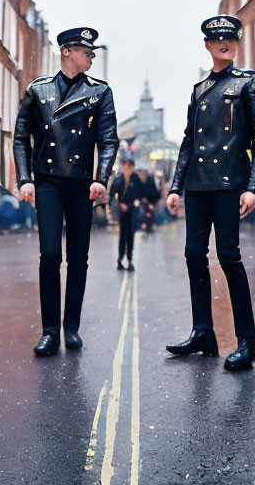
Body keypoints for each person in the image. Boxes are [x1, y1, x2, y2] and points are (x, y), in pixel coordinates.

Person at [165, 15, 255, 371]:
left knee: (229, 257)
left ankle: (247, 342)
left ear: (237, 43)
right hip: (197, 186)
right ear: (207, 45)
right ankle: (203, 332)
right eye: (217, 39)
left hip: (230, 185)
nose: (223, 43)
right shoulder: (198, 90)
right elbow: (188, 142)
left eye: (230, 38)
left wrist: (252, 186)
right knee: (193, 255)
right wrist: (175, 187)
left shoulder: (250, 83)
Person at [14, 27, 119, 357]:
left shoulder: (100, 92)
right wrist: (23, 179)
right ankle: (49, 330)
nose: (91, 56)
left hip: (80, 183)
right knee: (50, 255)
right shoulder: (38, 89)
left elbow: (109, 140)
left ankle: (70, 326)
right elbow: (20, 138)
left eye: (92, 51)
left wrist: (102, 177)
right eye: (86, 51)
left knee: (78, 258)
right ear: (66, 52)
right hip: (47, 181)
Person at [109, 158, 140, 270]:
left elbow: (139, 195)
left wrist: (130, 205)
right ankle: (120, 260)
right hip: (121, 212)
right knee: (122, 237)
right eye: (125, 166)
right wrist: (120, 204)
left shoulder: (136, 179)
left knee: (130, 236)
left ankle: (130, 260)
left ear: (132, 167)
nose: (127, 168)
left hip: (132, 212)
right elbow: (112, 194)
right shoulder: (118, 179)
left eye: (129, 166)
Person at [135, 167, 160, 233]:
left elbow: (154, 193)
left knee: (149, 215)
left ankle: (147, 226)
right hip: (140, 202)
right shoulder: (137, 181)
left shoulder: (150, 181)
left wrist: (151, 203)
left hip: (150, 202)